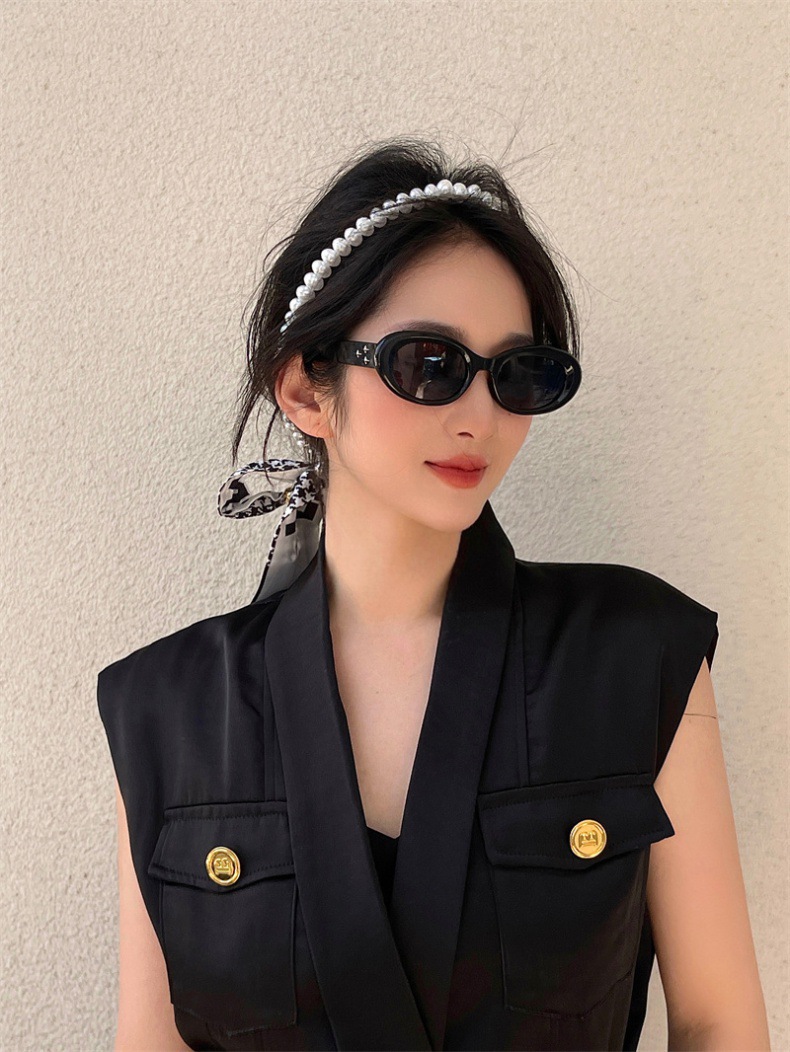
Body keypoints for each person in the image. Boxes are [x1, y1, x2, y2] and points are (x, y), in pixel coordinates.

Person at [97, 137, 770, 1051]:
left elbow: (719, 1022)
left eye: (519, 374)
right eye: (429, 364)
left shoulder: (638, 657)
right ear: (305, 391)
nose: (480, 417)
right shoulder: (166, 708)